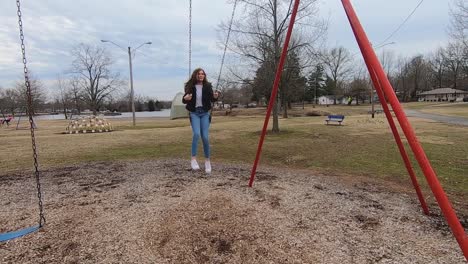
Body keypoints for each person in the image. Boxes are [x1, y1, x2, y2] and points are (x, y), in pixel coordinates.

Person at [182, 68, 219, 173]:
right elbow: (184, 99)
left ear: (204, 75)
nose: (201, 75)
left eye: (202, 74)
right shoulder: (189, 86)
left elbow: (212, 99)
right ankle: (193, 159)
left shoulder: (208, 86)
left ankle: (207, 161)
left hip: (204, 113)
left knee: (205, 137)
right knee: (197, 134)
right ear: (195, 75)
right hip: (194, 113)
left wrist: (215, 97)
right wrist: (186, 98)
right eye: (199, 74)